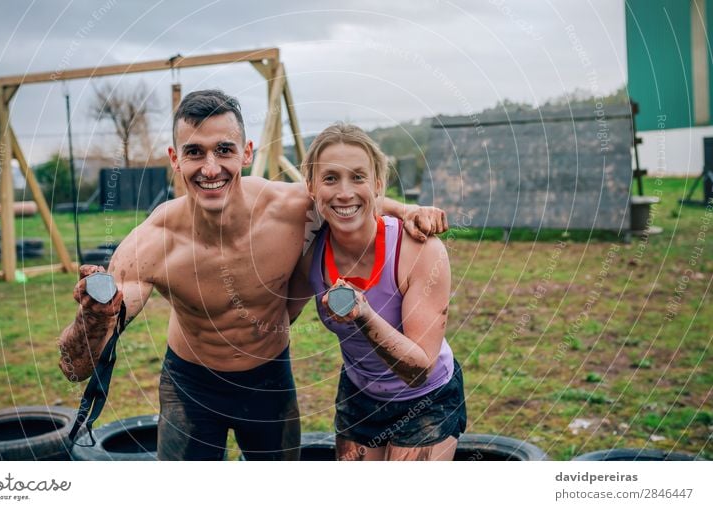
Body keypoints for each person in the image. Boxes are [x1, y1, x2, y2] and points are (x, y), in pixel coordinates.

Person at [57, 90, 448, 460]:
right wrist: (94, 317)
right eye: (195, 153)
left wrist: (405, 210)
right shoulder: (152, 245)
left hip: (269, 379)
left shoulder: (288, 209)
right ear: (175, 159)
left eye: (223, 150)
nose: (211, 168)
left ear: (246, 153)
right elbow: (76, 367)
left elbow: (347, 195)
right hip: (190, 385)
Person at [288, 123, 467, 461]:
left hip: (427, 397)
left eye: (358, 177)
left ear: (379, 184)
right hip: (359, 393)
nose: (344, 192)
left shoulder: (418, 249)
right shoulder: (310, 251)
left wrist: (364, 315)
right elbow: (278, 314)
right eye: (330, 178)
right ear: (310, 187)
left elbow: (418, 370)